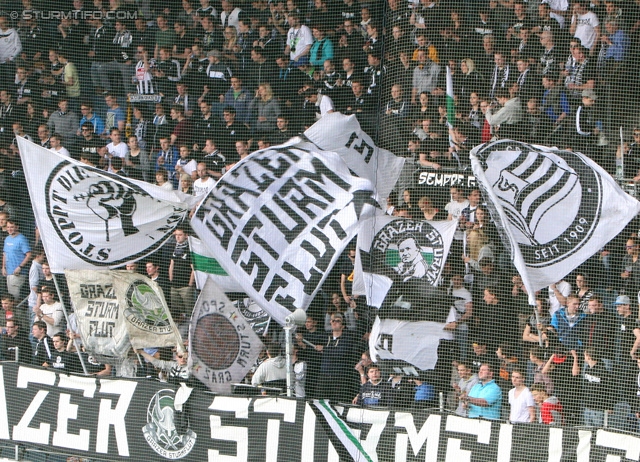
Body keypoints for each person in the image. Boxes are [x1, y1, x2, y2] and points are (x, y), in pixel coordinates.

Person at [169, 227, 195, 321]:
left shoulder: (190, 249)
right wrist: (171, 281)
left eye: (180, 235)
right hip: (174, 286)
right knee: (178, 312)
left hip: (185, 287)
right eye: (176, 235)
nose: (177, 237)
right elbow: (171, 265)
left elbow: (193, 269)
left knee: (189, 311)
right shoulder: (174, 248)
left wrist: (190, 285)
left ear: (186, 235)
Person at [2, 220, 31, 300]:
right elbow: (5, 253)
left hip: (18, 273)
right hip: (8, 272)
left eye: (12, 227)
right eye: (8, 227)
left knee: (15, 297)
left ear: (17, 227)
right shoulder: (7, 239)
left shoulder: (22, 239)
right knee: (10, 297)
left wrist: (20, 267)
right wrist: (3, 267)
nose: (9, 229)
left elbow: (29, 255)